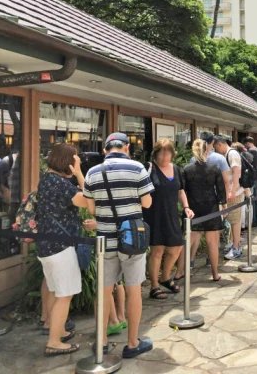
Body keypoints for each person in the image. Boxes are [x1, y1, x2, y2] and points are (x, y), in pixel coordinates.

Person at [84, 132, 154, 359]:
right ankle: (132, 343)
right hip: (131, 240)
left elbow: (92, 209)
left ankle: (102, 341)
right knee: (134, 290)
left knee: (104, 292)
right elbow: (147, 202)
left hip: (105, 240)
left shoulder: (92, 172)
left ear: (105, 150)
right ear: (126, 148)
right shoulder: (137, 169)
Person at [35, 144, 91, 356]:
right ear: (67, 161)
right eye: (75, 160)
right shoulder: (62, 185)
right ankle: (54, 341)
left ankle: (53, 327)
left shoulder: (46, 180)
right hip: (61, 246)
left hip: (46, 244)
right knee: (65, 294)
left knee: (53, 288)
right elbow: (88, 202)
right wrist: (79, 174)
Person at [143, 139, 193, 300]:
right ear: (155, 153)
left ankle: (165, 277)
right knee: (157, 251)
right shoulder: (149, 169)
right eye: (161, 152)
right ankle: (154, 286)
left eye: (168, 152)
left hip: (171, 214)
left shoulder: (177, 169)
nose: (165, 155)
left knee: (176, 247)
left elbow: (180, 190)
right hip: (154, 214)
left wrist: (186, 207)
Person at [185, 139, 227, 281]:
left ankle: (180, 271)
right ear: (207, 150)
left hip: (193, 207)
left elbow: (183, 190)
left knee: (189, 242)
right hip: (211, 207)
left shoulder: (187, 169)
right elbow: (221, 188)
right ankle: (215, 273)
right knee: (213, 243)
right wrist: (224, 204)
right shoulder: (214, 168)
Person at [214, 136, 244, 260]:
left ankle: (236, 248)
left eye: (216, 147)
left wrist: (232, 191)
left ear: (220, 144)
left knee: (235, 220)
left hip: (235, 193)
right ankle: (234, 244)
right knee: (232, 220)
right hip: (233, 192)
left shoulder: (232, 154)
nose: (216, 150)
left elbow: (236, 172)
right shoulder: (229, 153)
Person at [244, 137, 257, 227]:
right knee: (256, 200)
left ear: (247, 143)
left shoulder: (251, 151)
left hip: (251, 178)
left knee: (252, 200)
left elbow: (248, 164)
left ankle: (254, 221)